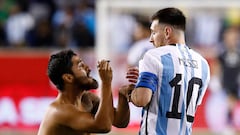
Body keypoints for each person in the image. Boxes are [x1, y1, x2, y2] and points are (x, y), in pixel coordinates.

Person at [126, 7, 210, 135]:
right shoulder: (203, 64)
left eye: (153, 32)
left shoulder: (154, 56)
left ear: (167, 32)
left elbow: (142, 99)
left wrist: (131, 92)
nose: (150, 39)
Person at [37, 49, 132, 135]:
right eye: (80, 65)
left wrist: (122, 96)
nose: (89, 68)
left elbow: (120, 121)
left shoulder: (88, 99)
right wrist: (106, 82)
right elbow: (103, 126)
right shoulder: (59, 110)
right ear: (68, 78)